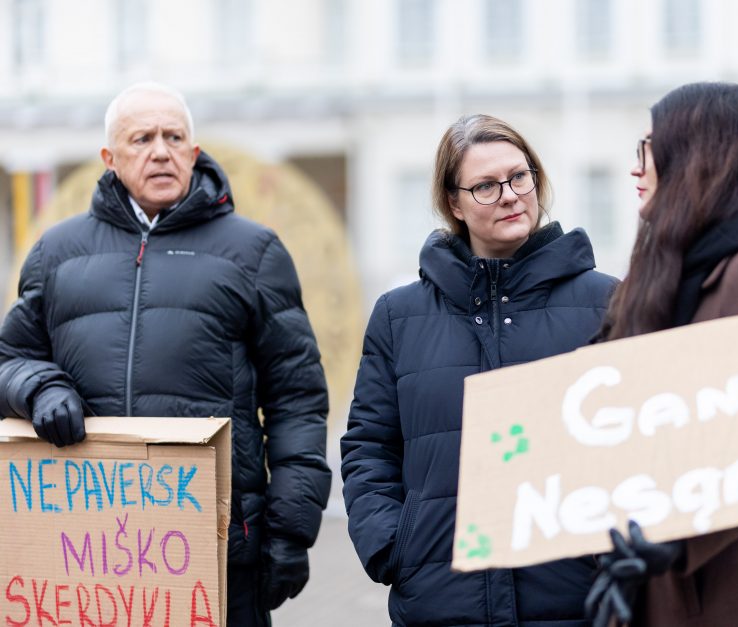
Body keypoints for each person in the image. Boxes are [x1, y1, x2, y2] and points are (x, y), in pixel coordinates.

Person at [0, 82, 330, 626]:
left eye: (174, 136)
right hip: (90, 552)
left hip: (221, 548)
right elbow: (11, 360)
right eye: (142, 138)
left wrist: (292, 530)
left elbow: (297, 398)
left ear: (194, 153)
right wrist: (41, 387)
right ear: (110, 158)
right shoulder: (56, 253)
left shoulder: (254, 251)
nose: (160, 150)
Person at [341, 113, 618, 626]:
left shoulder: (607, 304)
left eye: (519, 176)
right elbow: (368, 446)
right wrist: (392, 545)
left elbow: (637, 443)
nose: (511, 195)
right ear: (454, 203)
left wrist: (610, 557)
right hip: (440, 599)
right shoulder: (399, 317)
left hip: (575, 599)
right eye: (486, 187)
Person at [588, 82, 738, 626]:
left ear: (694, 156)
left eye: (648, 148)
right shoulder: (666, 268)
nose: (635, 168)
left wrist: (675, 543)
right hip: (665, 582)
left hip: (736, 593)